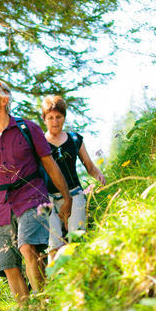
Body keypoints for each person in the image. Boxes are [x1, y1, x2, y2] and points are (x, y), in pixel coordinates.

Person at [0, 79, 72, 300]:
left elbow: (50, 165)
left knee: (27, 247)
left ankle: (43, 302)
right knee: (8, 266)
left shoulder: (28, 129)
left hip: (32, 198)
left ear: (4, 100)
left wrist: (66, 197)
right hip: (0, 208)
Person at [41, 94, 106, 257]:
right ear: (44, 119)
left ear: (64, 117)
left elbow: (89, 166)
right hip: (48, 199)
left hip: (75, 193)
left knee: (76, 241)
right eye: (50, 118)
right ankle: (57, 280)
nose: (55, 122)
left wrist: (100, 176)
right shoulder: (39, 143)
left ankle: (78, 276)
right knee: (53, 246)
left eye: (58, 117)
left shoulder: (75, 139)